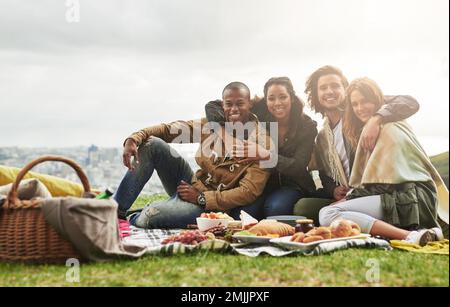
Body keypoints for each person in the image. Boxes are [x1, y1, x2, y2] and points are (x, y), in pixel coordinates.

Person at [114, 82, 272, 228]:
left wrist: (202, 198)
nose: (234, 109)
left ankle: (136, 216)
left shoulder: (262, 142)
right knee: (151, 143)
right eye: (229, 104)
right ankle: (115, 211)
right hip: (189, 184)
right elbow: (169, 130)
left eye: (240, 103)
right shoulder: (212, 125)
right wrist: (134, 138)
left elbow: (248, 192)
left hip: (210, 207)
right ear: (222, 105)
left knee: (150, 216)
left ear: (250, 104)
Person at [318, 77, 448, 244]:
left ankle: (410, 236)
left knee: (328, 214)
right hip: (400, 195)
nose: (360, 108)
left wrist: (376, 119)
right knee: (330, 211)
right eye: (355, 104)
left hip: (409, 197)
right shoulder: (366, 130)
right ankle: (423, 234)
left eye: (365, 102)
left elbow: (386, 183)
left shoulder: (389, 129)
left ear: (377, 100)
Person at [294, 66, 420, 223]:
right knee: (303, 207)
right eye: (323, 88)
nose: (329, 91)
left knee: (325, 214)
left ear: (345, 89)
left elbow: (409, 101)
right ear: (316, 94)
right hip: (349, 193)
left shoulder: (360, 112)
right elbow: (323, 172)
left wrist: (376, 119)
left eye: (335, 86)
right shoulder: (322, 137)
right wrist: (332, 189)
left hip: (374, 191)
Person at [205, 77, 318, 217]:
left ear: (292, 98)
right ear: (266, 100)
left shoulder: (307, 126)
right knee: (241, 214)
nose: (277, 103)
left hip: (293, 183)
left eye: (283, 97)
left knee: (275, 208)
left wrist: (265, 155)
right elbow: (212, 106)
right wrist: (226, 137)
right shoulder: (259, 112)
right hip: (263, 182)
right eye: (271, 98)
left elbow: (299, 166)